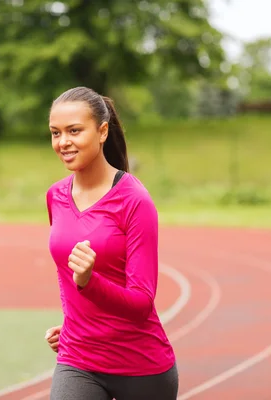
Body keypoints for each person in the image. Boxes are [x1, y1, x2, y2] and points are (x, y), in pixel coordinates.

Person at [44, 86, 178, 399]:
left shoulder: (135, 201)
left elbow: (141, 304)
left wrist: (90, 283)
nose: (63, 142)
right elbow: (68, 280)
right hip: (78, 359)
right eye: (55, 133)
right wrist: (76, 323)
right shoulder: (55, 196)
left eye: (74, 131)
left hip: (141, 367)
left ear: (102, 131)